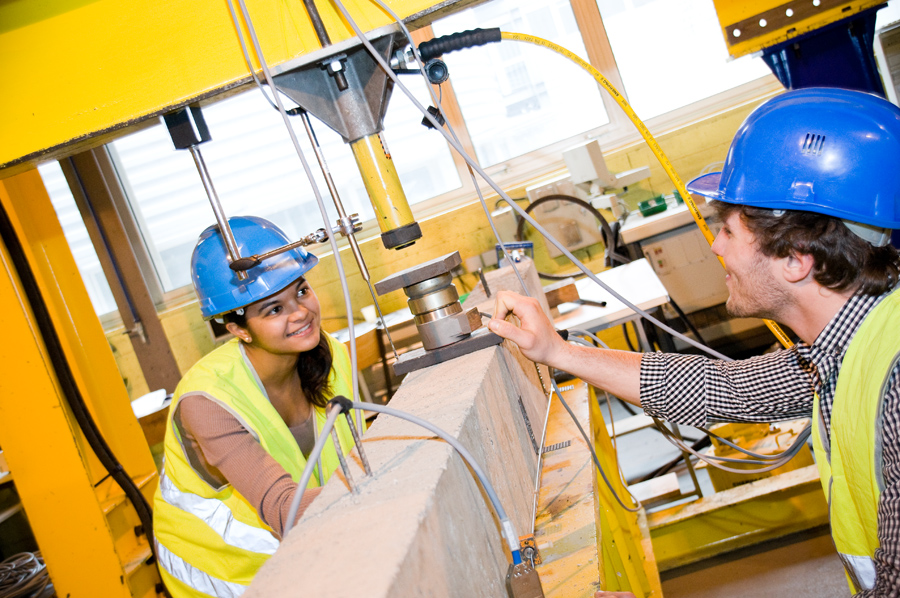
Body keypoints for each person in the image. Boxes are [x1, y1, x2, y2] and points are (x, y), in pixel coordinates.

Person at [487, 88, 900, 596]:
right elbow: (719, 387)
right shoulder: (846, 347)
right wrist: (557, 351)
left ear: (797, 258)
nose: (714, 246)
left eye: (727, 230)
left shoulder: (894, 376)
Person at [153, 216, 358, 597]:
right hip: (229, 568)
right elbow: (284, 508)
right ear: (239, 329)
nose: (300, 312)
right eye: (273, 310)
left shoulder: (332, 354)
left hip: (309, 540)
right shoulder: (207, 402)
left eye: (301, 291)